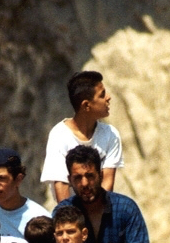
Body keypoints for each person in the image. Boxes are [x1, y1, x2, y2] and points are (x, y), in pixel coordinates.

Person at [40, 71, 124, 202]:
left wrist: (96, 218)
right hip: (70, 216)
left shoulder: (110, 134)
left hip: (100, 213)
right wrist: (71, 221)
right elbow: (61, 187)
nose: (108, 98)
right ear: (86, 105)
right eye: (102, 95)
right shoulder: (59, 135)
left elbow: (107, 183)